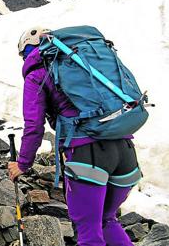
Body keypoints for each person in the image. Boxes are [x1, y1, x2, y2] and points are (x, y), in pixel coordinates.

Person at [8, 26, 141, 246]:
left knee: (88, 233)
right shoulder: (83, 60)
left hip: (86, 154)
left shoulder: (37, 73)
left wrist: (23, 164)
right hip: (125, 148)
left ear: (28, 50)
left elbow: (33, 125)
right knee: (107, 220)